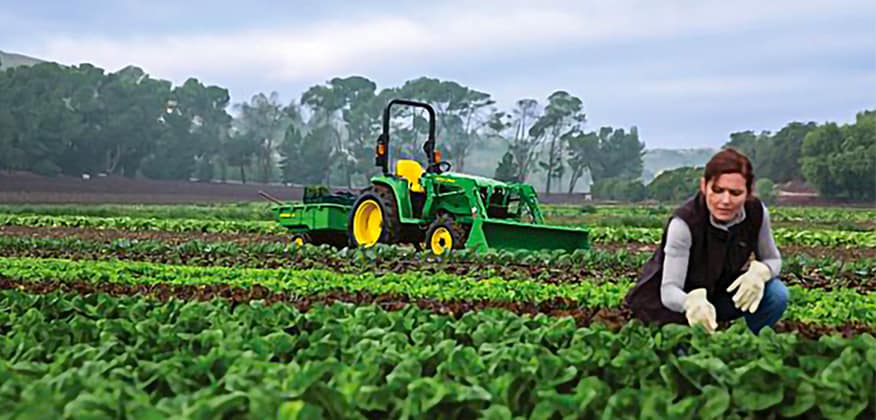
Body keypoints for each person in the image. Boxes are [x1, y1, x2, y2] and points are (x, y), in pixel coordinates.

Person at [624, 148, 788, 334]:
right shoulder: (684, 223)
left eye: (735, 193)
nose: (725, 200)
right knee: (683, 354)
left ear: (748, 192)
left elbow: (773, 259)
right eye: (717, 190)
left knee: (776, 294)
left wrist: (762, 272)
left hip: (716, 294)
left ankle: (745, 343)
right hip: (668, 306)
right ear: (704, 186)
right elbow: (669, 290)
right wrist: (689, 302)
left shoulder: (756, 213)